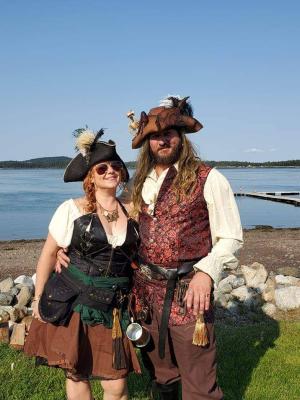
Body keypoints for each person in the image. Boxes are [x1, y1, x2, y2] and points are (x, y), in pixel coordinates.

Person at [58, 96, 243, 400]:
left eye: (169, 133)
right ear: (147, 142)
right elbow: (110, 223)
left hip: (189, 294)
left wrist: (206, 274)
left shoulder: (209, 178)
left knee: (200, 381)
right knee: (162, 374)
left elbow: (231, 237)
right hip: (145, 297)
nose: (162, 140)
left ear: (181, 136)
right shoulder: (139, 182)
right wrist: (67, 249)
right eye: (155, 136)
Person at [24, 128, 141, 400]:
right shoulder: (72, 209)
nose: (110, 171)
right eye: (102, 168)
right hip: (75, 302)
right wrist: (38, 299)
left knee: (116, 385)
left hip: (114, 307)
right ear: (90, 176)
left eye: (115, 167)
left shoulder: (132, 207)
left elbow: (148, 173)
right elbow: (48, 255)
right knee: (77, 373)